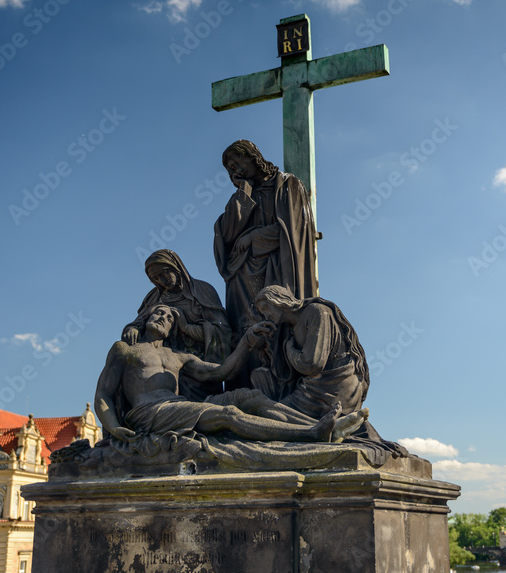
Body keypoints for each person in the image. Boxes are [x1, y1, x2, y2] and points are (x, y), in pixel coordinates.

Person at [96, 304, 368, 448]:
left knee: (247, 397)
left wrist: (247, 342)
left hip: (175, 408)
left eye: (169, 317)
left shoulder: (177, 357)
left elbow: (222, 371)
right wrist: (113, 427)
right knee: (228, 415)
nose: (163, 318)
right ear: (146, 318)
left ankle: (320, 424)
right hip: (149, 411)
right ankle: (312, 434)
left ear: (172, 329)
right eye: (159, 313)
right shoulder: (125, 350)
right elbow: (104, 394)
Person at [214, 141, 318, 350]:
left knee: (276, 328)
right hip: (242, 277)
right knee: (246, 330)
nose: (237, 169)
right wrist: (243, 194)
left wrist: (254, 236)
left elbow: (295, 230)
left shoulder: (287, 185)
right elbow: (225, 235)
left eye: (238, 162)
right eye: (231, 169)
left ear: (253, 156)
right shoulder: (242, 196)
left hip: (277, 269)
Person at [122, 249, 231, 400]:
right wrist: (132, 329)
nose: (162, 280)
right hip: (163, 365)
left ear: (175, 267)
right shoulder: (154, 298)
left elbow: (222, 331)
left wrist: (187, 328)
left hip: (197, 366)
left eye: (164, 273)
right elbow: (139, 323)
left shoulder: (202, 291)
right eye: (156, 278)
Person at [251, 284, 369, 419]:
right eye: (262, 312)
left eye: (266, 308)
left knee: (275, 415)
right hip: (319, 387)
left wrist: (289, 349)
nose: (266, 315)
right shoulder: (292, 328)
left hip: (336, 388)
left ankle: (325, 428)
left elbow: (312, 364)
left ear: (278, 300)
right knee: (272, 411)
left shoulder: (316, 311)